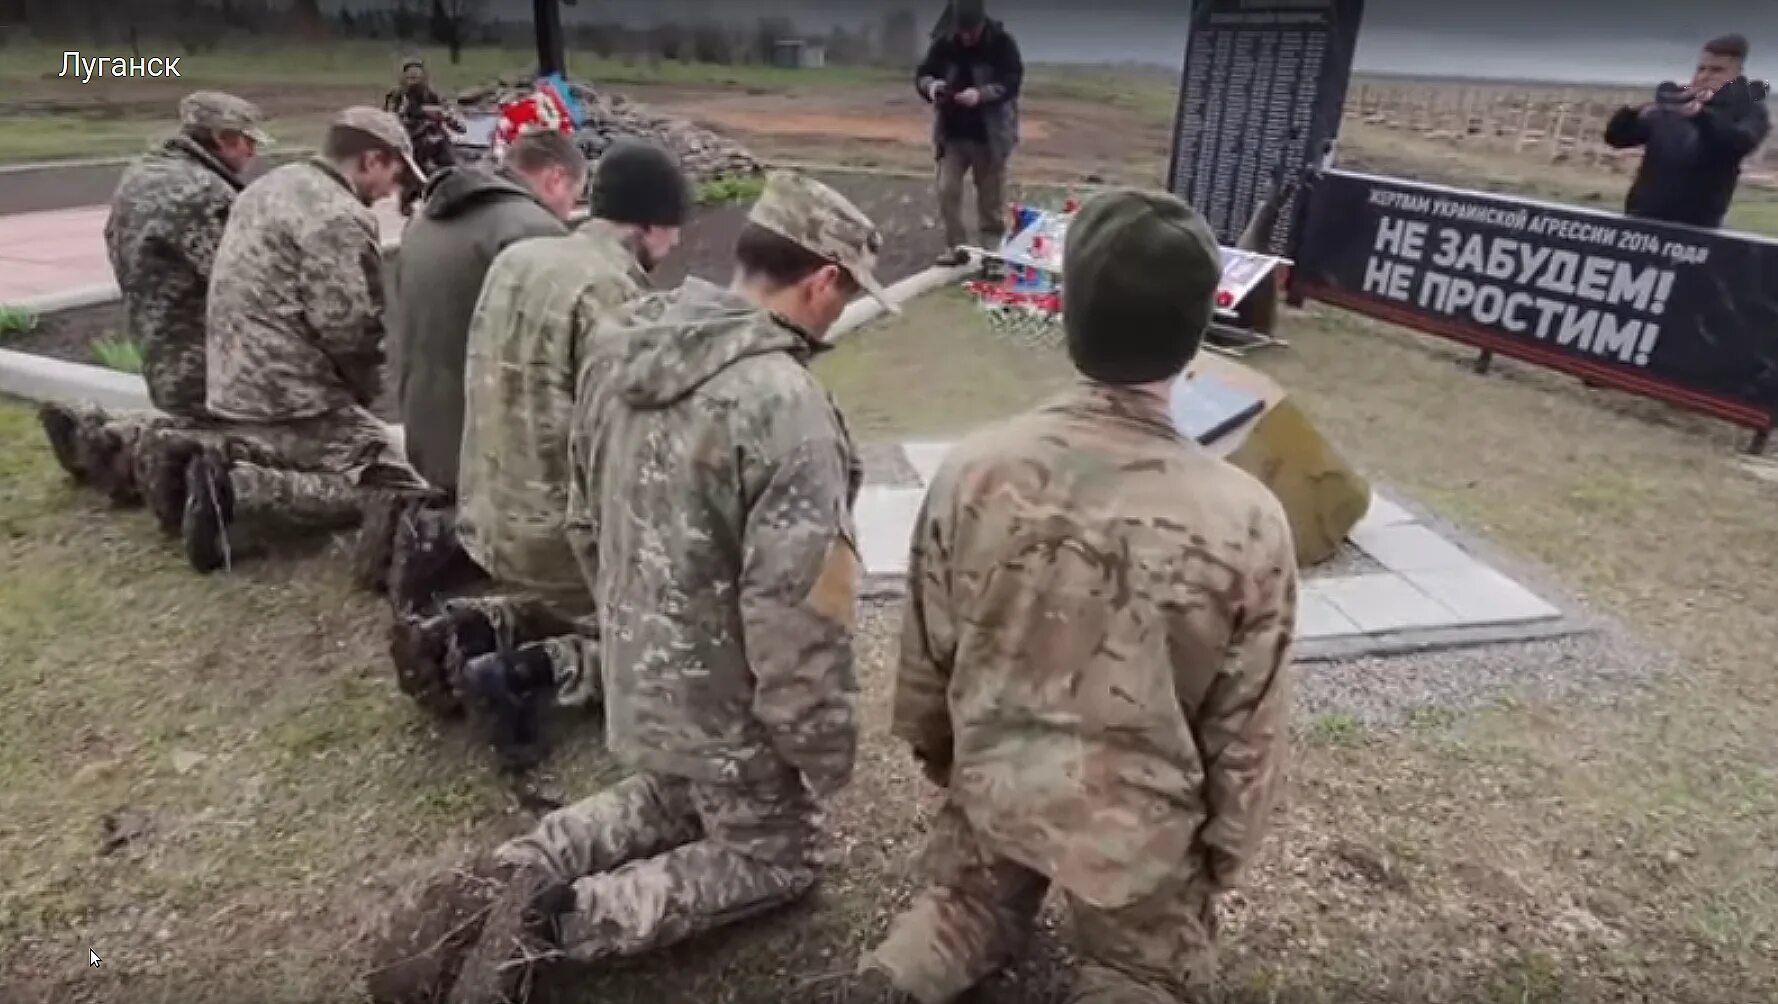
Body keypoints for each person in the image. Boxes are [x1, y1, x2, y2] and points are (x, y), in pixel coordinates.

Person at [364, 170, 891, 1004]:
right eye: (847, 291)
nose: (841, 310)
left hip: (638, 677)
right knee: (775, 856)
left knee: (674, 795)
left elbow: (582, 519)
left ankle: (511, 872)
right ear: (823, 280)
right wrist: (820, 747)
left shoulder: (625, 347)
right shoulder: (787, 408)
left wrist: (629, 630)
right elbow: (799, 617)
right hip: (727, 707)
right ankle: (550, 931)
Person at [852, 190, 1299, 1004]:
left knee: (956, 911)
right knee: (1136, 973)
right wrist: (1222, 853)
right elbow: (1247, 725)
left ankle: (893, 982)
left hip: (994, 784)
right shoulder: (1247, 521)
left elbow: (927, 654)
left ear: (1064, 312)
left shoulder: (972, 470)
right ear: (1201, 328)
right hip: (1139, 841)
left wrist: (949, 763)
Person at [388, 139, 690, 772]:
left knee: (574, 598)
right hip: (553, 539)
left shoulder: (521, 259)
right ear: (649, 225)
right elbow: (627, 447)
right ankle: (528, 674)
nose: (676, 249)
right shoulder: (614, 293)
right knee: (688, 642)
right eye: (673, 234)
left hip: (487, 515)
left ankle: (461, 628)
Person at [181, 106, 434, 575]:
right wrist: (363, 394)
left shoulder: (270, 186)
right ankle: (239, 490)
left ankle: (214, 461)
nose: (392, 189)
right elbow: (345, 326)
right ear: (371, 160)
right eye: (396, 172)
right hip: (291, 391)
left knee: (304, 450)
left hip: (233, 378)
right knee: (396, 483)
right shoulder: (337, 215)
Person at [38, 91, 268, 521]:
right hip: (209, 369)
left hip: (159, 350)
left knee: (194, 420)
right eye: (244, 141)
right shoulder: (205, 192)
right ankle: (144, 462)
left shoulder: (141, 175)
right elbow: (246, 283)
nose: (252, 151)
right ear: (218, 137)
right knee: (287, 439)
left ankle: (102, 437)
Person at [391, 129, 587, 497]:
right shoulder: (531, 230)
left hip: (428, 437)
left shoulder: (425, 219)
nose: (568, 213)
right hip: (489, 459)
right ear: (556, 177)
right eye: (573, 199)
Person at [1605, 34, 1771, 229]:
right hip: (1641, 218)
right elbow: (1617, 138)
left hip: (1697, 227)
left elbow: (1740, 142)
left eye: (1717, 70)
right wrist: (1634, 112)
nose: (1704, 76)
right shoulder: (1675, 106)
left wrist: (1702, 116)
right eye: (1701, 69)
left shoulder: (1749, 111)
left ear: (1736, 75)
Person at [917, 0, 1023, 268]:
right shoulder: (944, 43)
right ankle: (957, 248)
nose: (966, 37)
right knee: (946, 190)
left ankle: (992, 255)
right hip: (952, 134)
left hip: (990, 136)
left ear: (982, 24)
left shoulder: (1002, 44)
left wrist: (981, 94)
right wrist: (933, 87)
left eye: (971, 32)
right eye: (961, 31)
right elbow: (923, 74)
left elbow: (1011, 82)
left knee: (990, 200)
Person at [384, 58, 461, 215]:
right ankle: (409, 199)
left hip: (433, 135)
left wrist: (448, 117)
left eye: (417, 76)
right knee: (412, 175)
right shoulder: (397, 96)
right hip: (410, 139)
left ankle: (450, 192)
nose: (414, 80)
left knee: (450, 165)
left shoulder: (432, 95)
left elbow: (447, 113)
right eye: (410, 76)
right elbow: (389, 116)